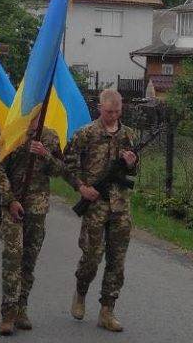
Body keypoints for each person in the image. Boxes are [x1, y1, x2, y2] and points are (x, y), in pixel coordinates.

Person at [0, 108, 86, 335]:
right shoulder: (12, 134)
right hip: (12, 207)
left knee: (28, 261)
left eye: (39, 115)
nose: (35, 120)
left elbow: (61, 171)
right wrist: (10, 200)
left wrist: (45, 154)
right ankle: (7, 313)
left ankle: (21, 308)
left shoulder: (50, 137)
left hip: (37, 208)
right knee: (12, 260)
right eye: (32, 115)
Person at [67, 88, 138, 332]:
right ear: (100, 109)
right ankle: (81, 290)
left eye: (117, 111)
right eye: (109, 111)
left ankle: (107, 310)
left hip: (120, 206)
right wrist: (81, 187)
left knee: (117, 261)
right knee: (92, 257)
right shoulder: (85, 134)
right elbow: (69, 165)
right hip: (95, 205)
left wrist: (131, 164)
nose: (113, 115)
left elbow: (134, 172)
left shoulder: (129, 135)